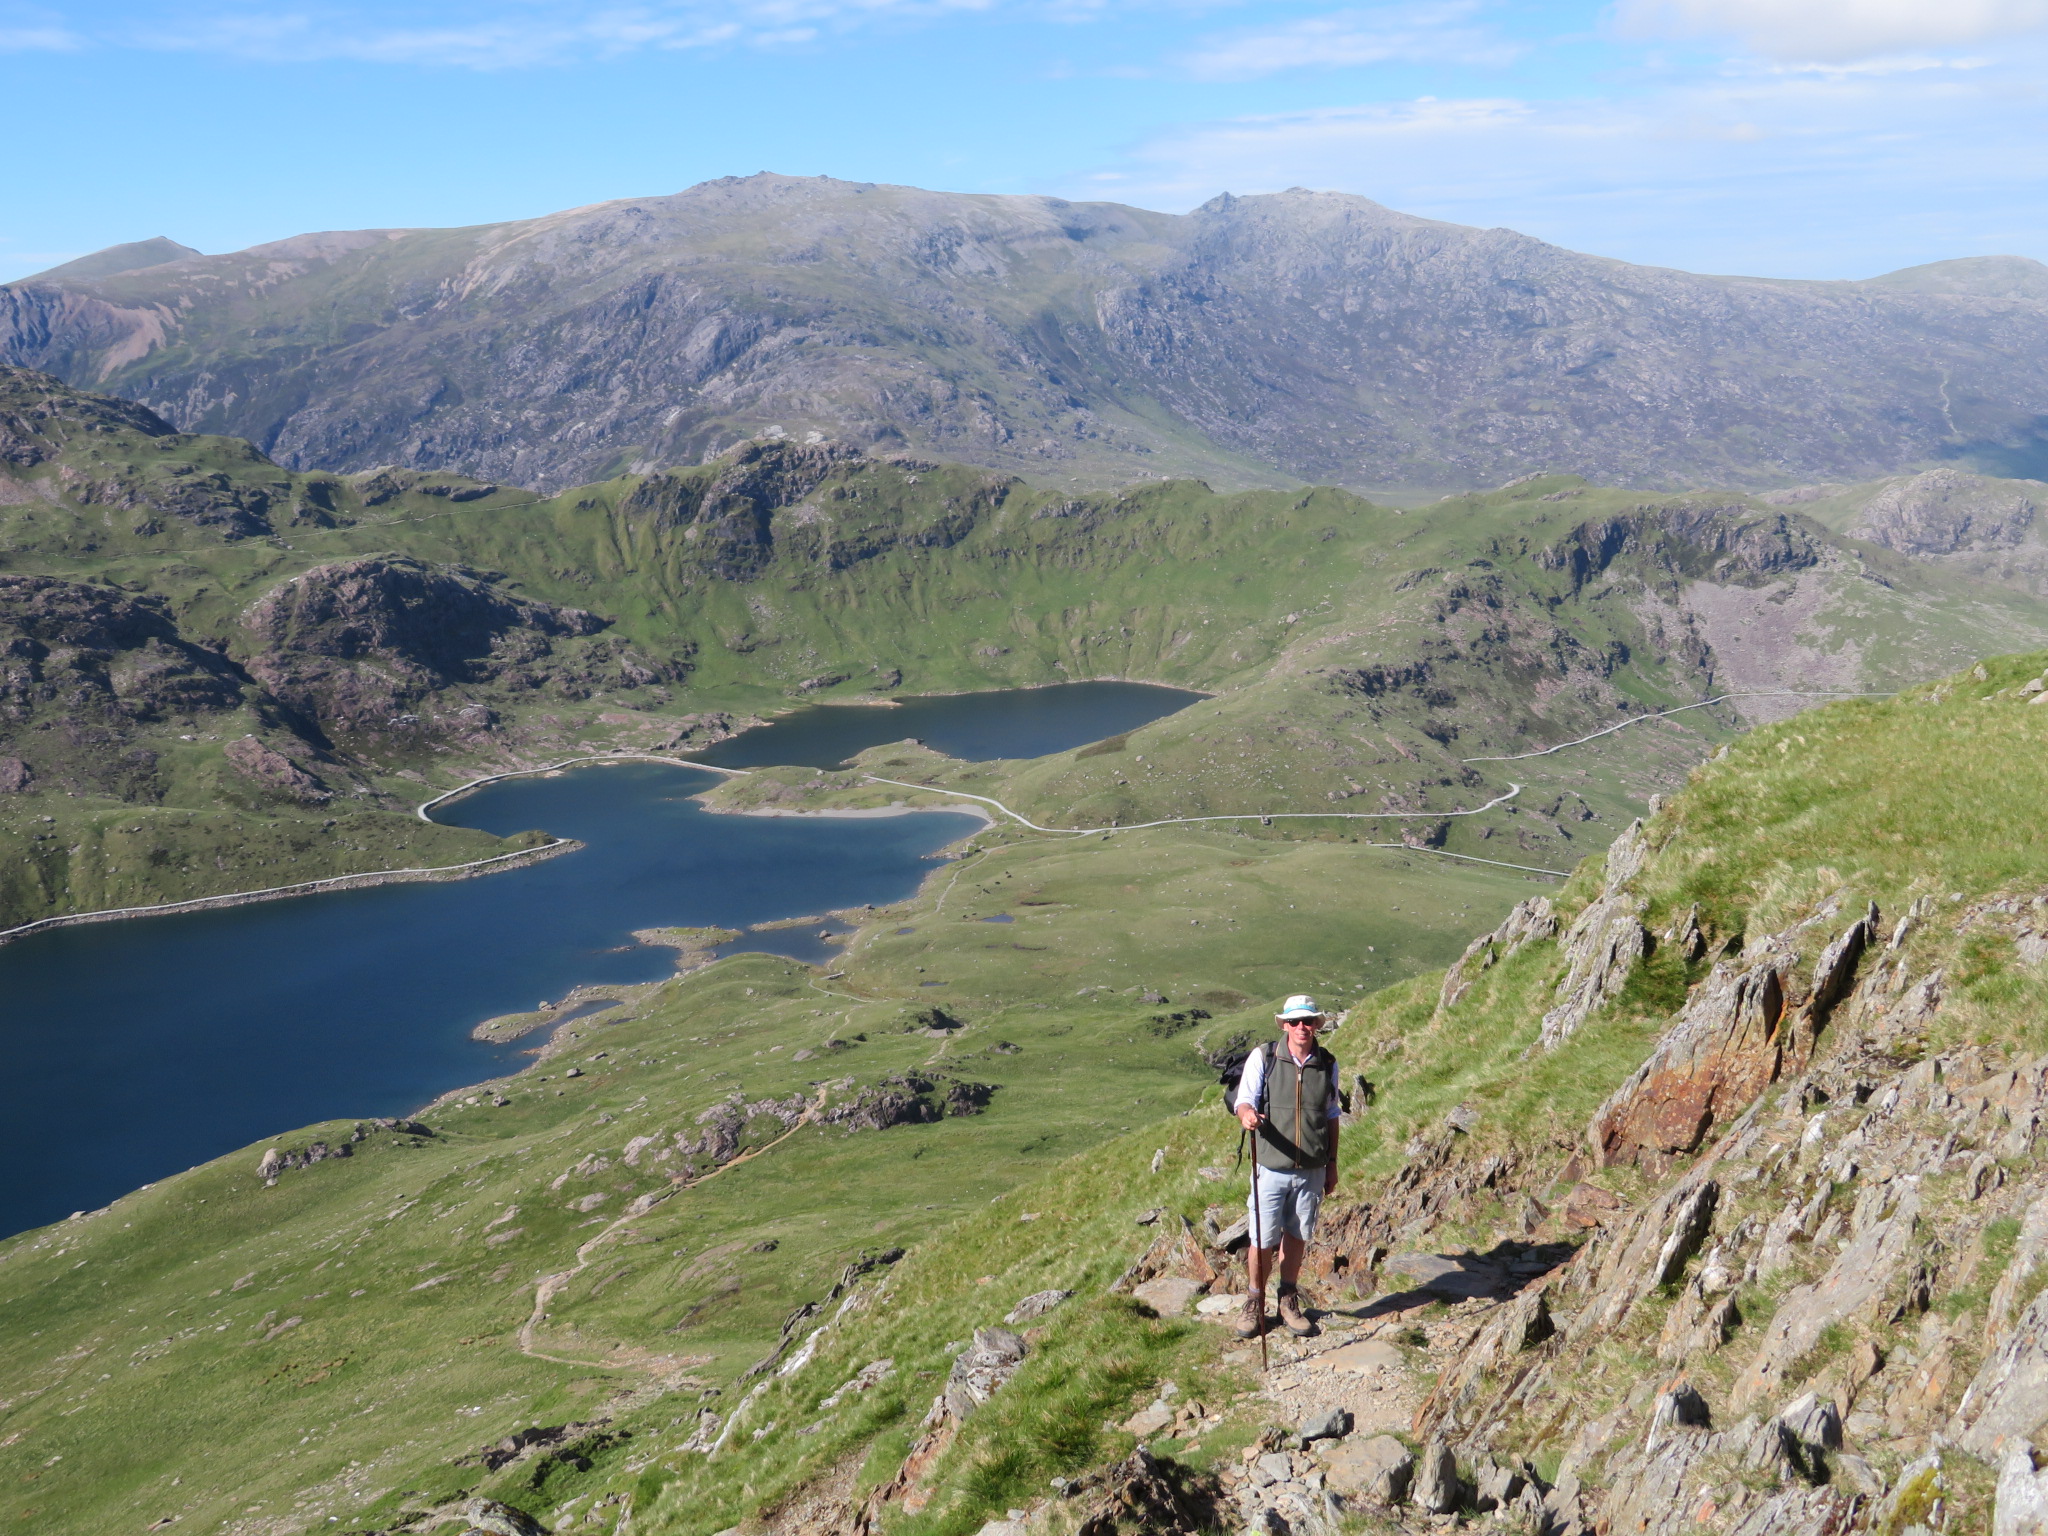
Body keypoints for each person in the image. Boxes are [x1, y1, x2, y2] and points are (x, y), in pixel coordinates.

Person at [1233, 993, 1341, 1339]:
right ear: (1285, 1025)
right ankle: (1254, 1301)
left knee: (1297, 1235)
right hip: (1271, 1166)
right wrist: (1247, 1114)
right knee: (1262, 1239)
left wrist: (1332, 1164)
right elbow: (1244, 1099)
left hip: (1311, 1168)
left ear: (1316, 1025)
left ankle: (1288, 1299)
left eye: (1307, 1021)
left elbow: (1332, 1115)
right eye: (1294, 1021)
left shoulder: (1327, 1063)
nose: (1301, 1027)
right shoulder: (1264, 1056)